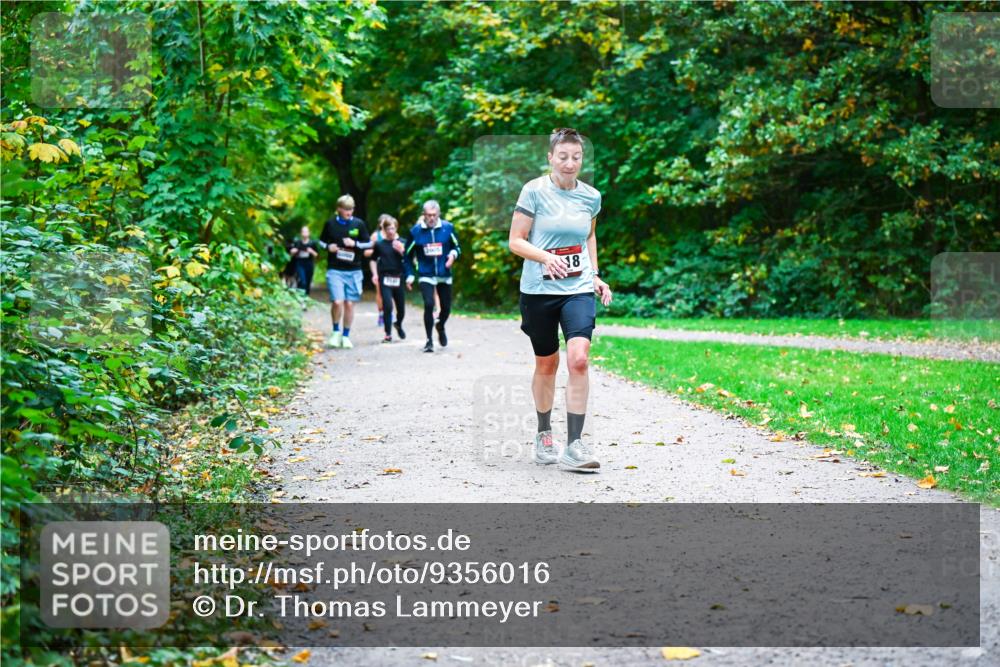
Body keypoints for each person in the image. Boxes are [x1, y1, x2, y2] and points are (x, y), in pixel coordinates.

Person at [507, 128, 612, 472]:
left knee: (579, 359)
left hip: (577, 288)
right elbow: (516, 241)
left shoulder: (591, 197)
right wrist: (544, 257)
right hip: (538, 291)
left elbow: (590, 236)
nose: (570, 163)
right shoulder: (533, 191)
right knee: (547, 364)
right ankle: (543, 433)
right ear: (550, 157)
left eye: (576, 157)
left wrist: (594, 274)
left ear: (582, 159)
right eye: (563, 156)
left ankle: (576, 445)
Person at [404, 200, 460, 353]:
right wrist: (409, 275)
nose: (431, 218)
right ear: (424, 215)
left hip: (444, 273)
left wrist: (453, 256)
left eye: (434, 215)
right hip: (425, 273)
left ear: (439, 214)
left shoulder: (448, 228)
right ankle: (429, 341)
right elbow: (407, 256)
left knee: (446, 308)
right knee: (429, 304)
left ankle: (440, 325)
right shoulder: (416, 231)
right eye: (428, 215)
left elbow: (457, 247)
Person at [319, 195, 372, 349]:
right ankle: (335, 332)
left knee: (349, 304)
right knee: (337, 301)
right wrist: (328, 247)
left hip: (354, 270)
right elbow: (321, 242)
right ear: (339, 209)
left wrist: (355, 243)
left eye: (351, 209)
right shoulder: (330, 224)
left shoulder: (358, 224)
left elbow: (368, 244)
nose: (349, 212)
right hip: (335, 269)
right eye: (346, 209)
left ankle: (346, 335)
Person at [369, 214, 409, 342]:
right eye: (388, 229)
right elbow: (372, 260)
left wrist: (402, 251)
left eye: (393, 228)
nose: (391, 231)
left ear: (396, 228)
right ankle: (388, 334)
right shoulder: (379, 244)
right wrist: (374, 274)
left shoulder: (402, 242)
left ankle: (398, 324)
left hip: (399, 278)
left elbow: (410, 261)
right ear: (384, 230)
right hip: (385, 278)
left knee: (401, 308)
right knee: (387, 305)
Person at [288, 226, 319, 298]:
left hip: (309, 263)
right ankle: (301, 297)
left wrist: (311, 251)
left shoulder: (312, 243)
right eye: (303, 232)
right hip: (300, 263)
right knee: (302, 281)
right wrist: (293, 251)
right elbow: (291, 253)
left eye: (306, 231)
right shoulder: (297, 242)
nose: (305, 233)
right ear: (301, 233)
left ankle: (306, 297)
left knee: (308, 282)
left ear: (309, 233)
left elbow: (317, 255)